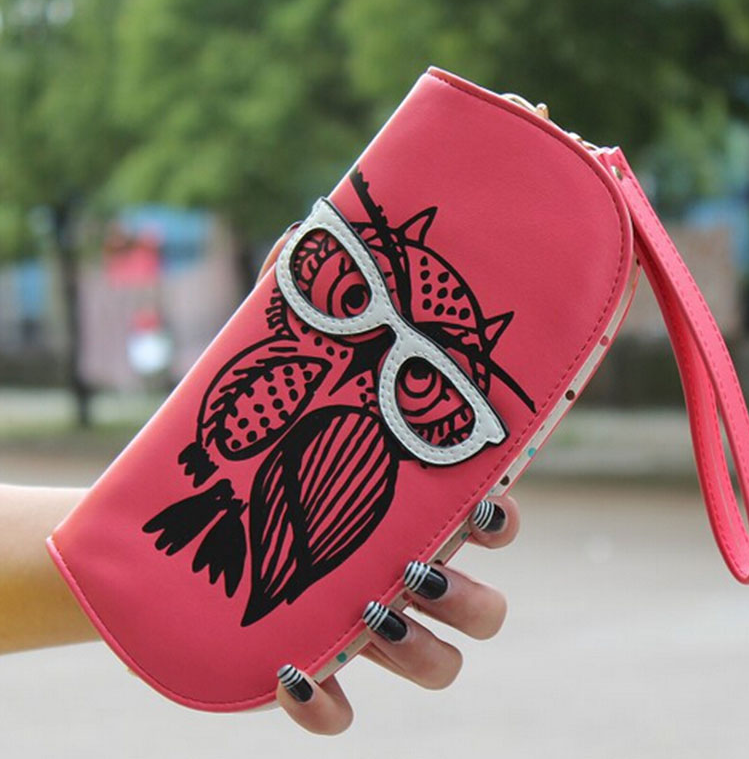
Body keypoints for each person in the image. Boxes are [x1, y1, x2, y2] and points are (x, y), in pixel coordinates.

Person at [0, 236, 521, 735]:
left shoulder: (350, 454)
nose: (365, 359)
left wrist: (132, 548)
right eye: (357, 300)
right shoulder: (289, 375)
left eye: (422, 378)